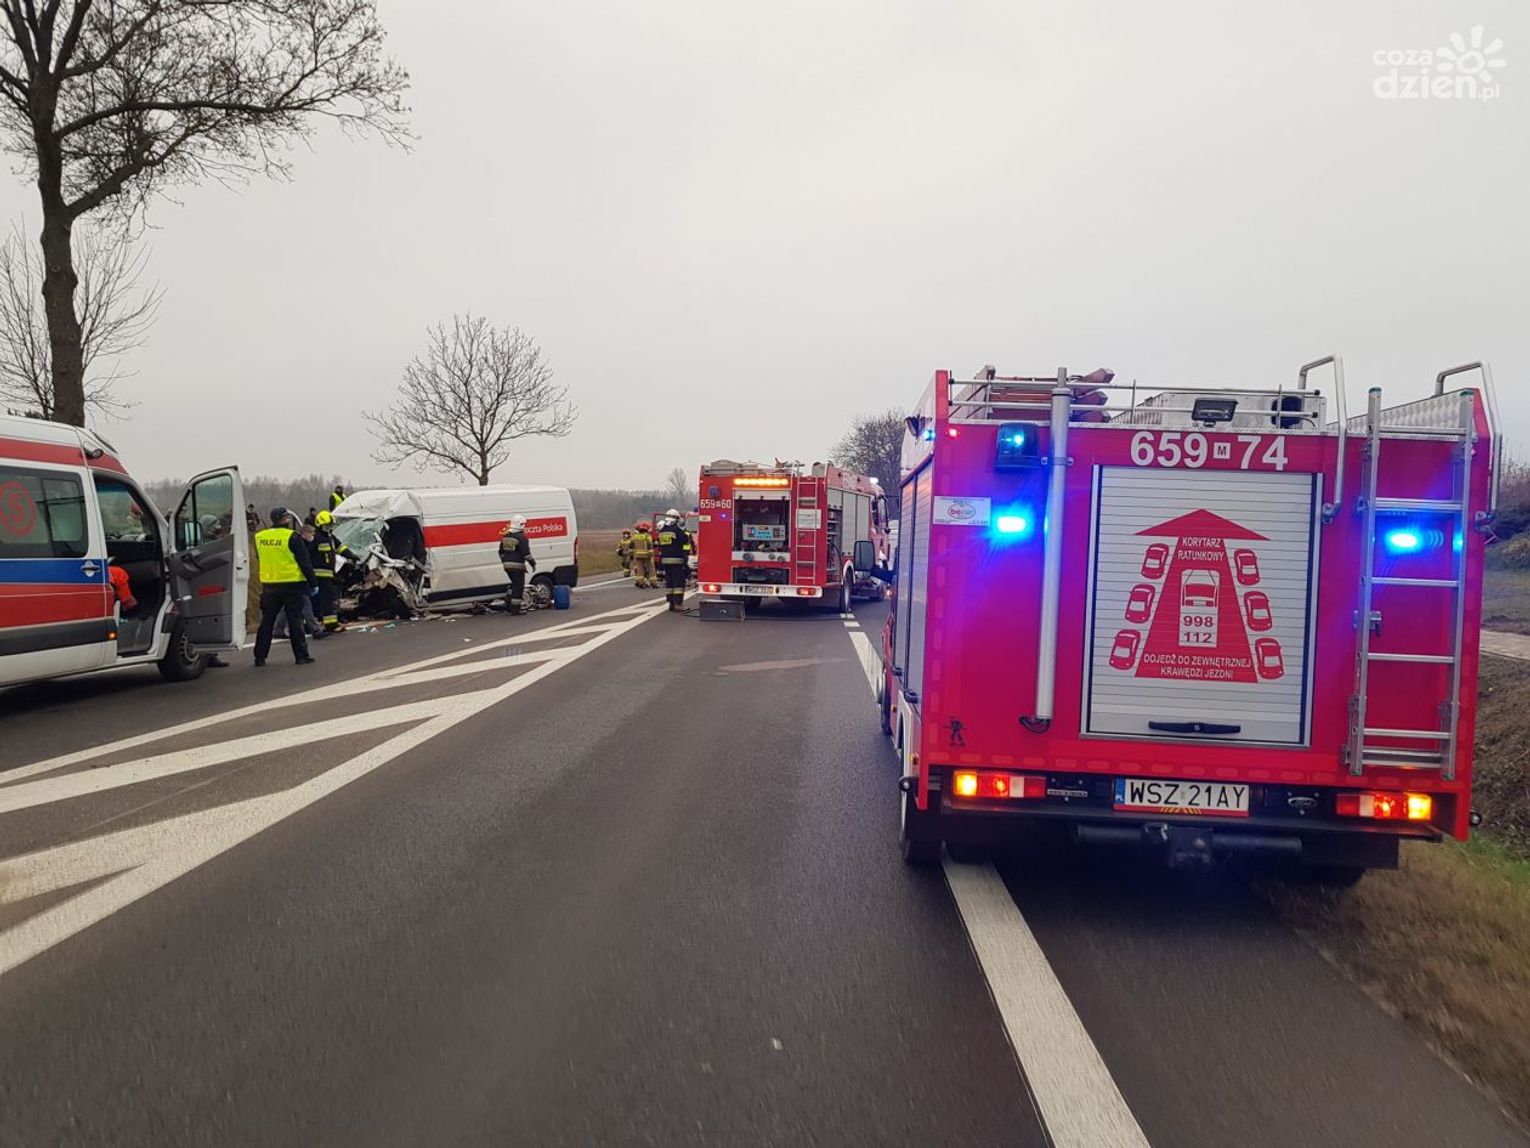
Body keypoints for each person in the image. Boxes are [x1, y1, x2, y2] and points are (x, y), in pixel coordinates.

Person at [253, 507, 318, 667]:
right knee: (295, 620)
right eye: (287, 518)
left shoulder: (260, 537)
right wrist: (313, 582)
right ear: (284, 519)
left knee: (267, 621)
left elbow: (260, 557)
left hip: (269, 585)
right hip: (292, 584)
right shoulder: (292, 537)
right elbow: (304, 562)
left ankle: (260, 657)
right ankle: (301, 656)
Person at [311, 510, 351, 633]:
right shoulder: (315, 538)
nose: (328, 527)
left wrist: (352, 555)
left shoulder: (329, 537)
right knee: (327, 600)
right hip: (318, 575)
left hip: (328, 574)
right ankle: (330, 625)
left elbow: (340, 548)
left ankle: (329, 622)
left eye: (330, 525)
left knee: (329, 599)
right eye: (326, 525)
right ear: (319, 525)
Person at [498, 514, 537, 614]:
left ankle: (508, 604)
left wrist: (505, 561)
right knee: (518, 587)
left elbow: (501, 552)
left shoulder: (505, 537)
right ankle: (515, 609)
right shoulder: (522, 538)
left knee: (514, 584)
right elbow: (526, 554)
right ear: (521, 525)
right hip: (517, 566)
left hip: (507, 566)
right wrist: (533, 563)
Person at [656, 509, 693, 612]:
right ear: (676, 519)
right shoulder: (676, 530)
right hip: (676, 560)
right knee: (679, 583)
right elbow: (685, 540)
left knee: (670, 583)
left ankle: (671, 604)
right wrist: (683, 530)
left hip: (665, 561)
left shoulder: (662, 531)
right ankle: (678, 604)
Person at [629, 521, 657, 588]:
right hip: (647, 555)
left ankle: (641, 583)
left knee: (640, 569)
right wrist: (651, 555)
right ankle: (653, 583)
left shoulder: (635, 536)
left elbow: (630, 545)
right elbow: (650, 545)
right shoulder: (647, 536)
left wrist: (632, 554)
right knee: (651, 569)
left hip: (638, 555)